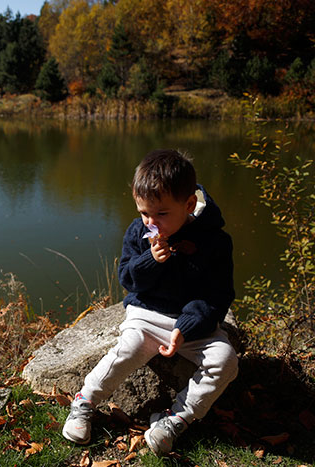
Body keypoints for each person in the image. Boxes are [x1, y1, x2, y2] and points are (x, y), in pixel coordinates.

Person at [62, 149, 239, 456]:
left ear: (188, 204)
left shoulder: (215, 241)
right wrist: (150, 261)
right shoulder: (138, 231)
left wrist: (186, 327)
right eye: (144, 213)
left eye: (161, 214)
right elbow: (128, 280)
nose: (151, 222)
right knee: (128, 347)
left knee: (225, 359)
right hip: (147, 314)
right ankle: (85, 401)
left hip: (194, 324)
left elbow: (218, 295)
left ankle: (175, 419)